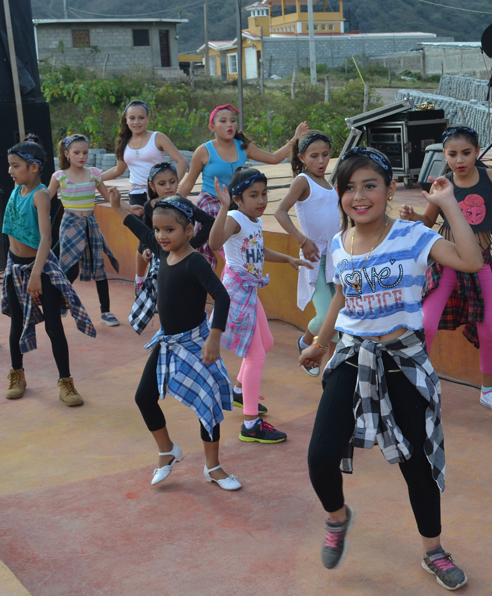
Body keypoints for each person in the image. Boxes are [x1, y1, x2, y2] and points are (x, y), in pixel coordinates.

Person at [299, 147, 482, 591]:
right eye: (349, 188)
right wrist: (321, 344)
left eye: (370, 186)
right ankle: (337, 517)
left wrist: (448, 203)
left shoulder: (413, 237)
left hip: (403, 360)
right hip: (351, 357)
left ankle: (433, 551)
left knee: (416, 463)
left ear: (389, 189)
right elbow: (343, 295)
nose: (358, 196)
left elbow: (470, 260)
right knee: (320, 456)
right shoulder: (338, 247)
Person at [399, 126, 492, 415]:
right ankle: (412, 385)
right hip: (448, 263)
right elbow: (427, 222)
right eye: (453, 154)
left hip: (480, 265)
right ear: (445, 156)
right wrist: (414, 217)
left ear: (477, 152)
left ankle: (488, 392)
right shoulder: (442, 184)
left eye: (466, 153)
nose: (460, 159)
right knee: (425, 324)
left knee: (490, 329)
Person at [109, 190, 241, 490]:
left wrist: (215, 338)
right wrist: (117, 207)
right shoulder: (161, 251)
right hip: (168, 342)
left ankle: (214, 467)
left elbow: (221, 296)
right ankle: (167, 450)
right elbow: (137, 226)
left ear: (190, 230)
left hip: (196, 342)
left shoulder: (195, 262)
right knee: (144, 397)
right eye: (158, 230)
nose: (161, 235)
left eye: (169, 230)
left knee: (207, 406)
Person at [208, 167, 313, 444]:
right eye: (253, 195)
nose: (261, 200)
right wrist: (223, 208)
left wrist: (287, 259)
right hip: (236, 293)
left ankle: (240, 391)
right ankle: (251, 424)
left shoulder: (253, 221)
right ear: (238, 199)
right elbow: (214, 242)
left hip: (250, 291)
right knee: (256, 355)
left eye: (264, 193)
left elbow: (258, 249)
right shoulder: (234, 217)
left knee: (265, 343)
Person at [1, 136, 96, 406]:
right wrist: (14, 269)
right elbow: (12, 231)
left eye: (15, 165)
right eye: (10, 165)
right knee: (16, 322)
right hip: (15, 267)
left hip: (39, 269)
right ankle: (17, 373)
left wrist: (35, 275)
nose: (10, 170)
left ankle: (65, 381)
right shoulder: (15, 190)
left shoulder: (41, 194)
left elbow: (45, 238)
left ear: (33, 167)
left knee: (53, 325)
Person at [177, 104, 308, 268]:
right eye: (223, 121)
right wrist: (172, 203)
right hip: (211, 203)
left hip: (234, 202)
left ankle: (234, 276)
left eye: (232, 121)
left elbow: (274, 158)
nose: (229, 125)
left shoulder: (243, 146)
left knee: (243, 238)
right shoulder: (204, 151)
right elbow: (189, 182)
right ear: (212, 127)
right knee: (216, 238)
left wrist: (295, 139)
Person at [101, 100, 189, 291]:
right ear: (126, 120)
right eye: (132, 118)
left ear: (148, 119)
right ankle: (140, 280)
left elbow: (181, 161)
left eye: (141, 118)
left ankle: (159, 279)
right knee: (145, 237)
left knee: (160, 237)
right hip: (137, 194)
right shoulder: (124, 143)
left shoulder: (158, 138)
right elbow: (118, 170)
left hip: (158, 195)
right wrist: (95, 178)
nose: (137, 122)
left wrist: (172, 185)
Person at [274, 130, 341, 377]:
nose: (321, 161)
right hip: (315, 257)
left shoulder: (330, 182)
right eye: (314, 156)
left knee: (341, 316)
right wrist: (303, 241)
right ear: (302, 157)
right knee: (325, 318)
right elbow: (280, 212)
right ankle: (306, 342)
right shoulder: (303, 181)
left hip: (336, 256)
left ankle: (333, 367)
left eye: (325, 155)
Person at [128, 163, 215, 336]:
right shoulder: (148, 206)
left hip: (182, 257)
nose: (168, 187)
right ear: (152, 186)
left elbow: (209, 221)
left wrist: (191, 243)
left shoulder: (182, 204)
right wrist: (147, 249)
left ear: (178, 182)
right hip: (159, 256)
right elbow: (146, 233)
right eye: (162, 183)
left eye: (172, 182)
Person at [48, 134, 121, 327]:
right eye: (77, 152)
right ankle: (61, 301)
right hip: (70, 224)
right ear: (67, 154)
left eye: (85, 152)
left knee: (99, 268)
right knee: (69, 268)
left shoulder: (94, 174)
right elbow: (45, 197)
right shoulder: (59, 176)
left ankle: (106, 312)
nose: (82, 156)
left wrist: (128, 208)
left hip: (90, 223)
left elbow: (109, 198)